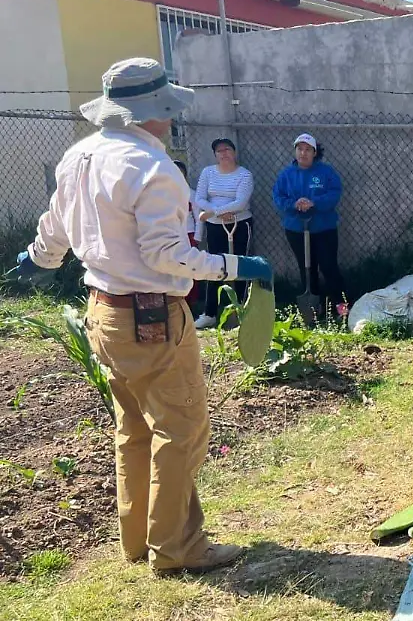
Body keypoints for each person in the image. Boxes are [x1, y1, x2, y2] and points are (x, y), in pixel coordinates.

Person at [7, 57, 273, 576]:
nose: (171, 117)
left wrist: (35, 258)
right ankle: (178, 550)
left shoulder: (78, 155)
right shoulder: (156, 169)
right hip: (152, 317)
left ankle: (138, 540)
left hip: (102, 314)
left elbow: (54, 232)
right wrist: (237, 265)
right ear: (154, 111)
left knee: (133, 429)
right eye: (167, 108)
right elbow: (167, 256)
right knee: (182, 431)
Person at [272, 133, 346, 317]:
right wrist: (294, 204)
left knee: (329, 266)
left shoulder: (326, 172)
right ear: (295, 151)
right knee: (306, 267)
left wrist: (313, 202)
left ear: (314, 152)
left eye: (307, 150)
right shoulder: (286, 175)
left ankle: (341, 307)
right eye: (299, 149)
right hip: (296, 229)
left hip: (323, 228)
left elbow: (334, 193)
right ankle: (315, 310)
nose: (303, 153)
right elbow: (278, 196)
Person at [194, 138, 254, 329]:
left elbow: (240, 202)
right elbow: (199, 198)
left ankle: (241, 311)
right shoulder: (208, 172)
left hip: (239, 223)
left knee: (239, 264)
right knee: (215, 266)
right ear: (215, 155)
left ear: (234, 152)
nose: (223, 154)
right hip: (214, 226)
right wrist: (215, 212)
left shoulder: (244, 175)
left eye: (227, 149)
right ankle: (210, 313)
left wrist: (214, 212)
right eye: (219, 151)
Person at [175, 159, 202, 309]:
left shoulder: (191, 194)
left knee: (190, 268)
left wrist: (197, 238)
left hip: (189, 235)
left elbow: (199, 218)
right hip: (172, 236)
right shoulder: (162, 194)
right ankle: (176, 301)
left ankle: (191, 302)